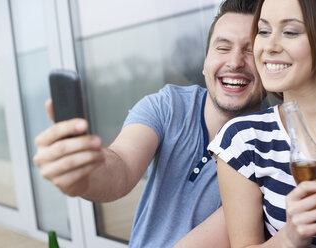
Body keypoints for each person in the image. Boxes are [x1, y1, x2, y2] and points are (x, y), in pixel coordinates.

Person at [33, 0, 262, 247]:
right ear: (205, 63)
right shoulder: (168, 105)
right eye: (223, 48)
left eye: (250, 50)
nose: (236, 62)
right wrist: (85, 174)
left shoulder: (273, 144)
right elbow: (120, 168)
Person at [208, 0, 316, 247]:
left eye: (290, 32)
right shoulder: (244, 140)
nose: (269, 46)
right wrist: (290, 237)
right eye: (263, 31)